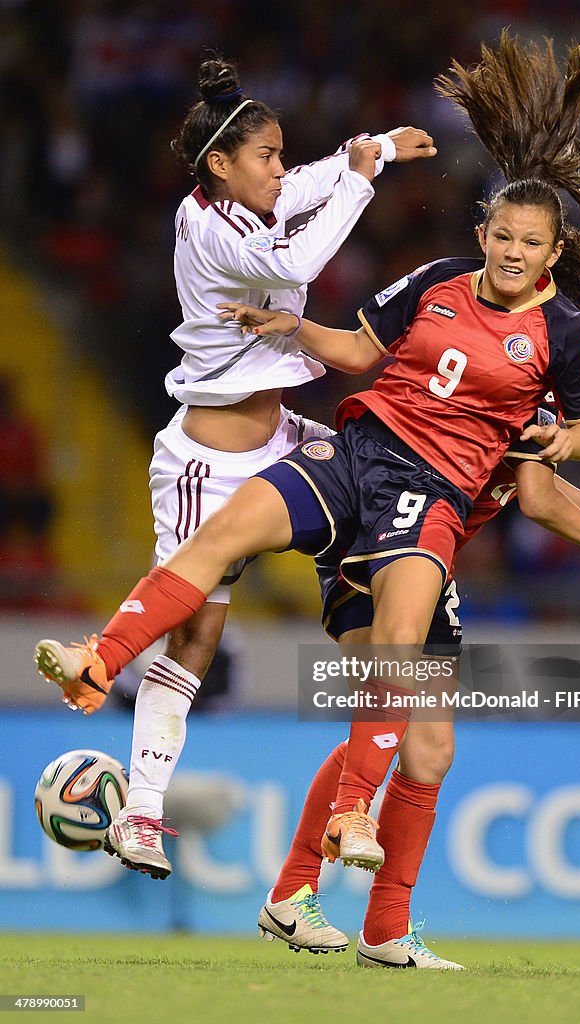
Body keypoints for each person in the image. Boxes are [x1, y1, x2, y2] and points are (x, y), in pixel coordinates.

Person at [34, 32, 580, 955]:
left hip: (428, 513)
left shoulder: (558, 354)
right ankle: (113, 669)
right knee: (283, 583)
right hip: (377, 480)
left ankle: (354, 914)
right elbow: (504, 467)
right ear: (493, 241)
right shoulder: (466, 298)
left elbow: (561, 461)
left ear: (545, 259)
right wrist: (298, 325)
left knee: (429, 740)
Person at [35, 53, 435, 882]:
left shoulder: (233, 199)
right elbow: (298, 265)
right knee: (198, 635)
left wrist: (372, 152)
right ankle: (138, 806)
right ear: (220, 164)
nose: (281, 170)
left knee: (372, 488)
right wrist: (362, 178)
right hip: (205, 462)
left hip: (279, 435)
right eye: (267, 155)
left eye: (283, 153)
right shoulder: (217, 230)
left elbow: (297, 192)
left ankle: (385, 686)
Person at [251, 267, 580, 968]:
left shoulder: (540, 388)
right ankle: (294, 892)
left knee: (429, 749)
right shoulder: (525, 370)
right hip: (381, 535)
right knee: (388, 717)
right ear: (579, 328)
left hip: (426, 550)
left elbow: (529, 473)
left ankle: (384, 929)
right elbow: (537, 499)